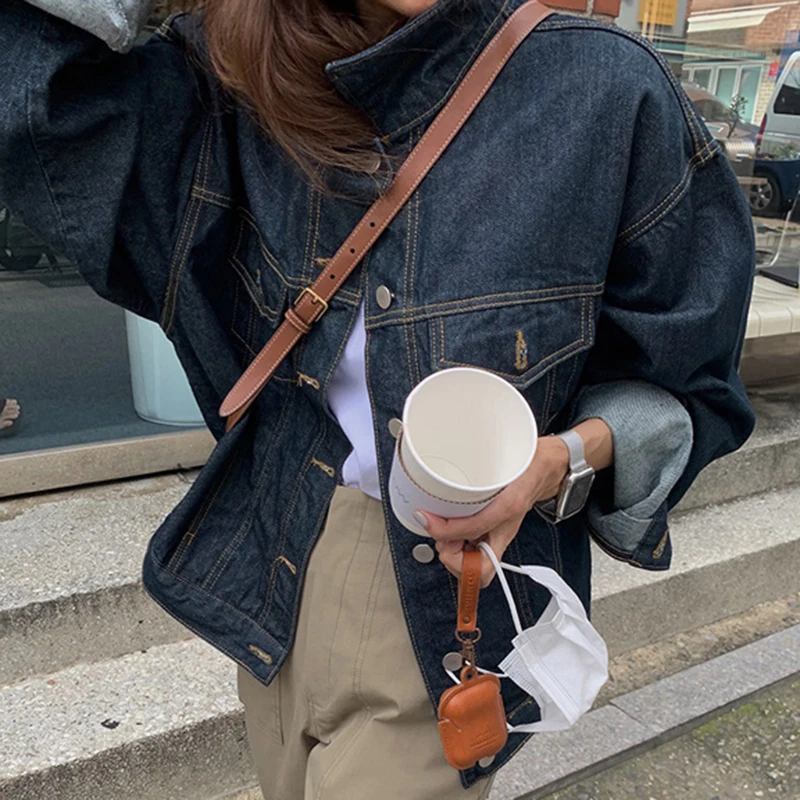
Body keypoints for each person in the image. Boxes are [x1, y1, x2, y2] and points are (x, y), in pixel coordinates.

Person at [0, 0, 756, 797]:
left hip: (447, 590)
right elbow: (40, 104)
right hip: (275, 562)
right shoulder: (235, 75)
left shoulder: (602, 88)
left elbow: (687, 381)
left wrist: (559, 460)